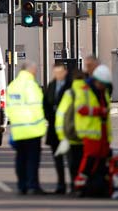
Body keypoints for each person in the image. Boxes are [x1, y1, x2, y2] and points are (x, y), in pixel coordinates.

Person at [6, 61, 47, 195]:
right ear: (29, 70)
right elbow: (38, 107)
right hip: (32, 129)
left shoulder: (13, 85)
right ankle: (33, 185)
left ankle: (22, 185)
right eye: (34, 70)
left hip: (18, 129)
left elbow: (8, 108)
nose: (35, 72)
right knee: (32, 160)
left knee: (20, 158)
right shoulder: (31, 86)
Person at [74, 65, 113, 197]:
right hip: (91, 131)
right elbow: (80, 108)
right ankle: (80, 185)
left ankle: (99, 185)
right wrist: (99, 112)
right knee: (90, 158)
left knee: (102, 159)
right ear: (98, 81)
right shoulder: (85, 90)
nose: (104, 88)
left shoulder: (103, 91)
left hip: (102, 132)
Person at [54, 71, 86, 194]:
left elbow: (61, 115)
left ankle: (74, 186)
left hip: (71, 136)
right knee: (84, 164)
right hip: (86, 136)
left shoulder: (69, 93)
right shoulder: (89, 92)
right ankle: (83, 186)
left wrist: (62, 136)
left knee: (73, 164)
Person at [43, 63, 72, 194]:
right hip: (54, 129)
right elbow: (45, 104)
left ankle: (74, 184)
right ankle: (61, 185)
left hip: (68, 129)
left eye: (60, 72)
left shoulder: (71, 86)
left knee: (71, 159)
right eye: (55, 72)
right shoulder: (51, 86)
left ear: (65, 72)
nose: (57, 74)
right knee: (58, 158)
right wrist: (50, 117)